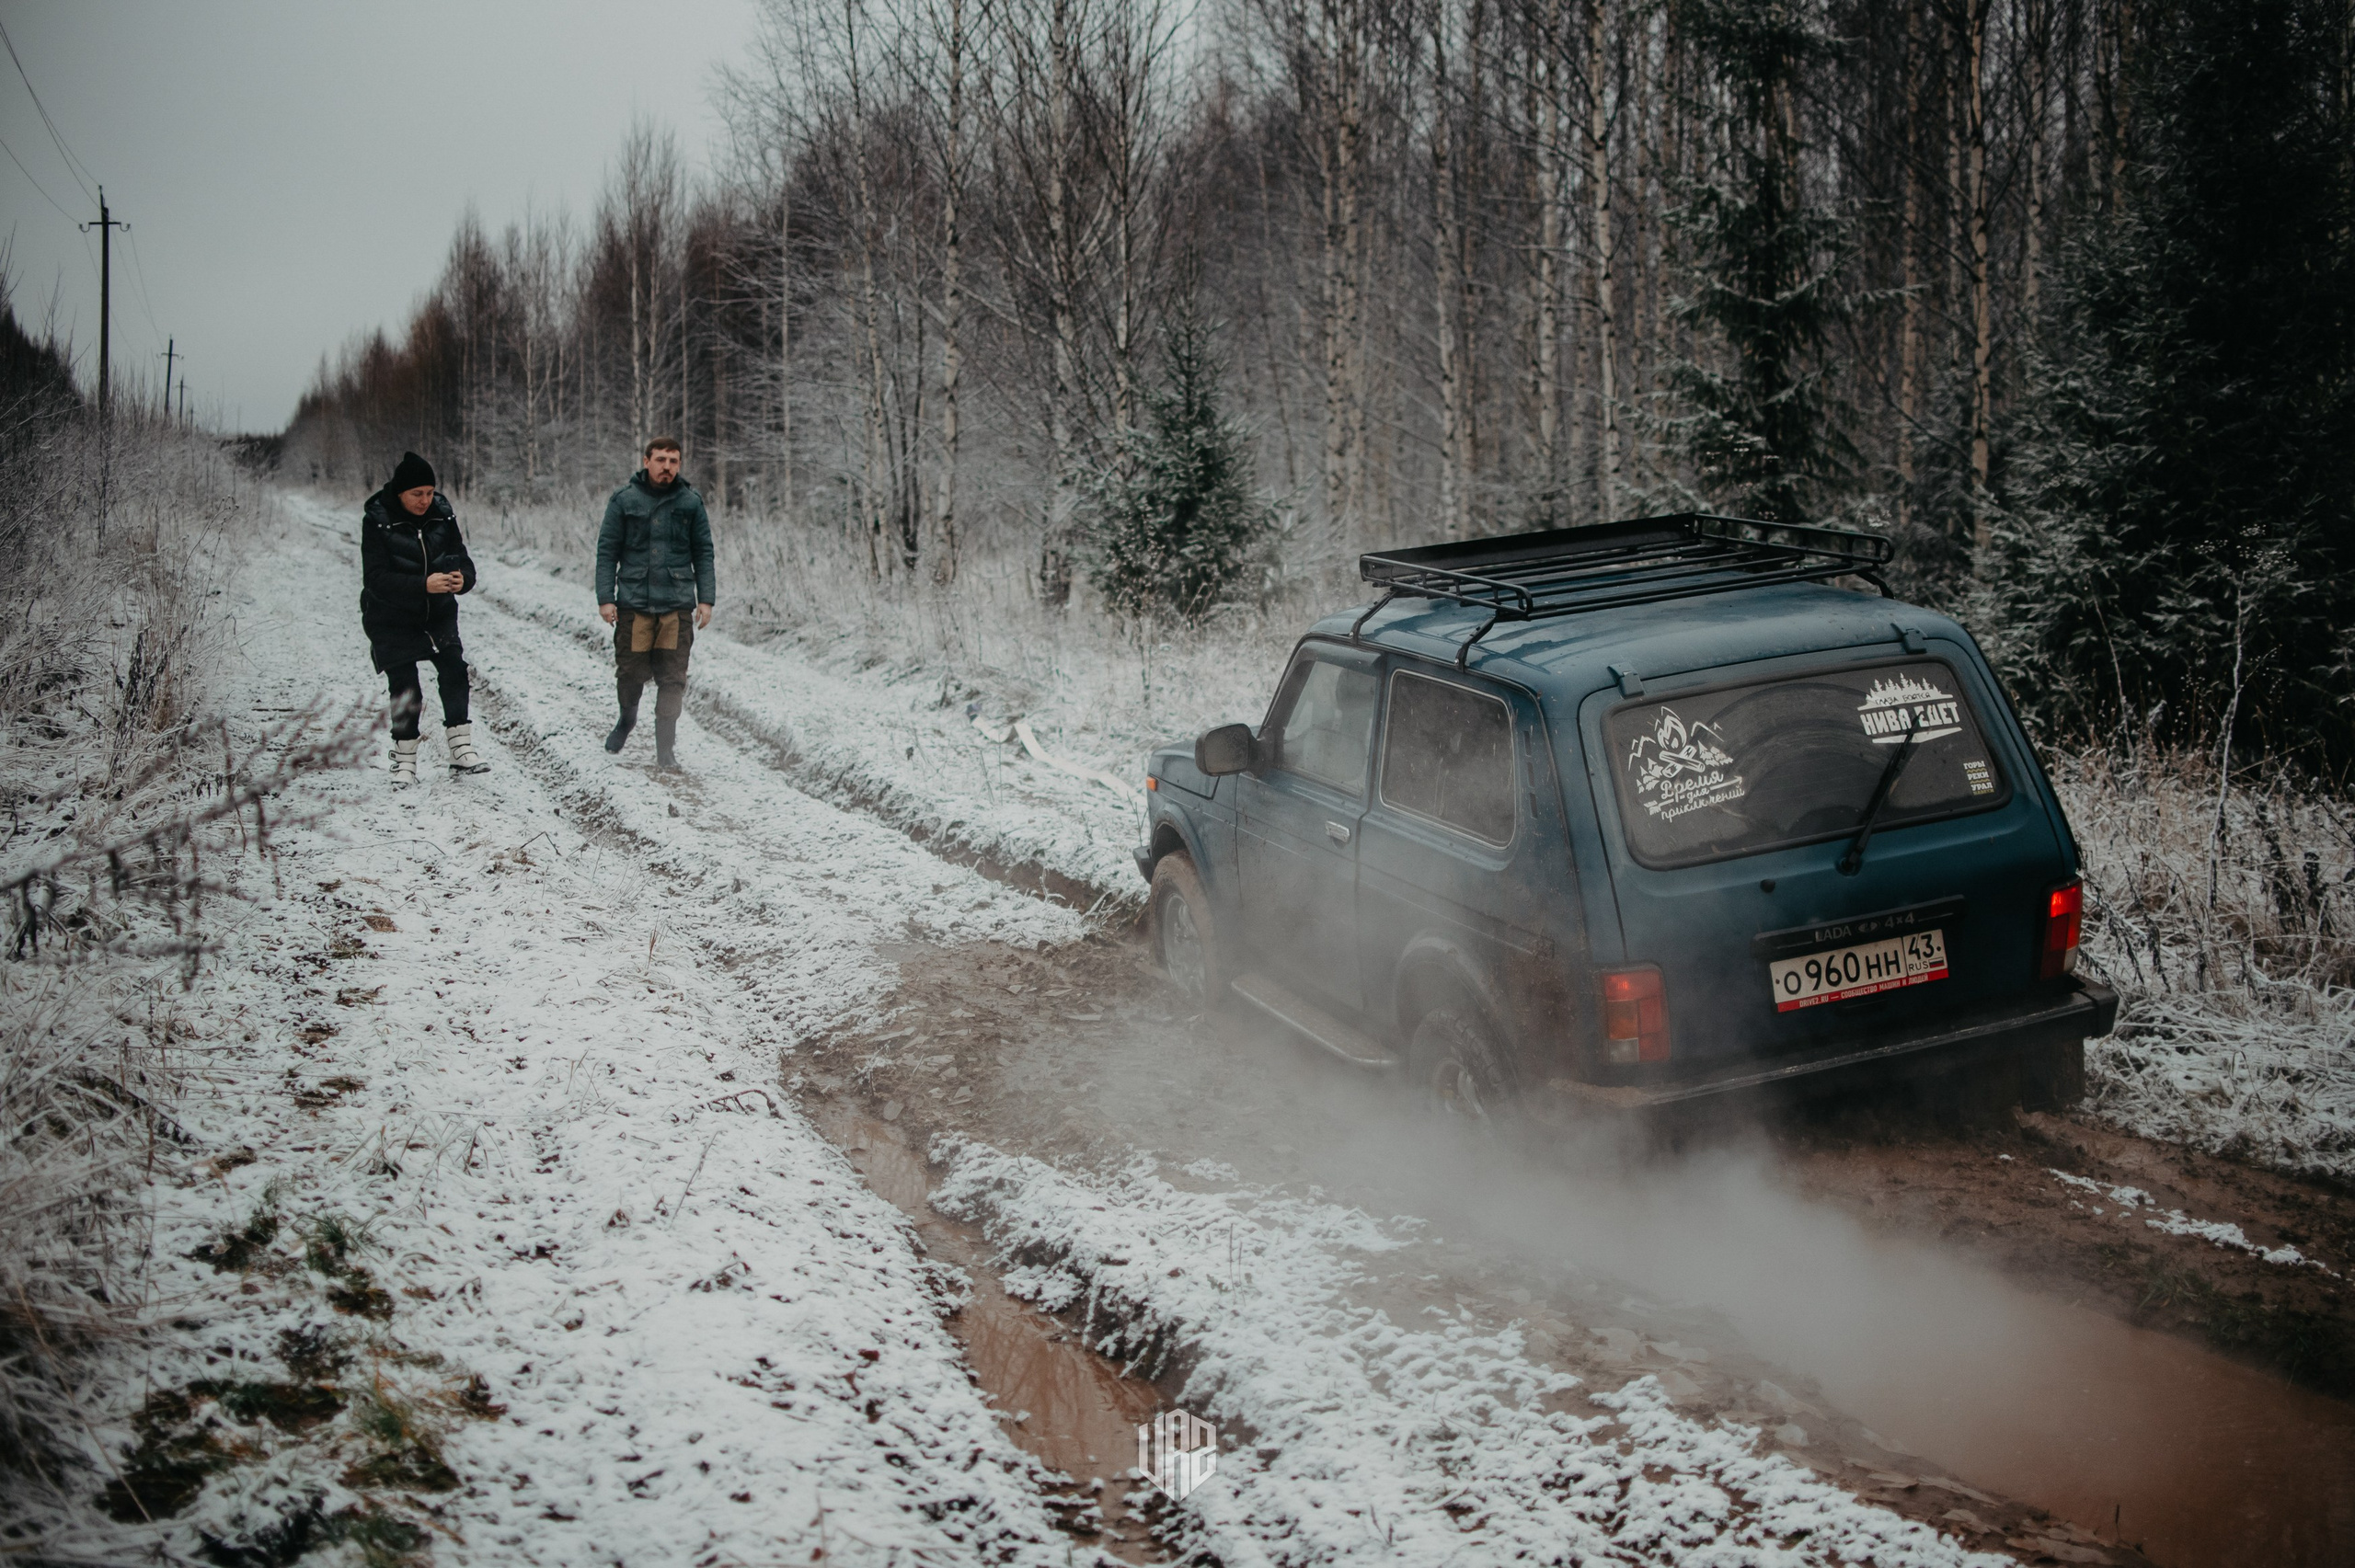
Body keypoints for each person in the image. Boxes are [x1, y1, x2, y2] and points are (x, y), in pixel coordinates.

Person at [361, 452, 489, 786]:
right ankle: (404, 763)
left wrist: (464, 579)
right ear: (400, 492)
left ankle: (460, 751)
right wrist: (423, 584)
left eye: (430, 492)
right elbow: (375, 578)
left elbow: (462, 558)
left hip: (438, 615)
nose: (425, 500)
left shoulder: (442, 514)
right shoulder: (376, 517)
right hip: (390, 616)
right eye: (417, 494)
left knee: (455, 670)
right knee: (406, 687)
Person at [594, 436, 715, 771]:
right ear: (646, 461)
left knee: (672, 678)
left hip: (676, 605)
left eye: (674, 461)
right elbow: (607, 552)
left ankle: (666, 749)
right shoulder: (623, 500)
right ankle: (626, 721)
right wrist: (606, 599)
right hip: (634, 605)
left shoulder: (690, 502)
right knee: (631, 674)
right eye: (661, 460)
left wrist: (705, 600)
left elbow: (703, 552)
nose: (667, 467)